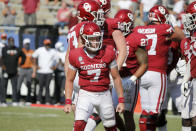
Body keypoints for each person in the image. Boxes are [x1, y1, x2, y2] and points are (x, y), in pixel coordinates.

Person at [63, 21, 125, 131]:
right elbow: (69, 79)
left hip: (104, 93)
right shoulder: (76, 54)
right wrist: (68, 101)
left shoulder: (108, 51)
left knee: (111, 127)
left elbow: (116, 77)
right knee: (79, 125)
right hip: (85, 93)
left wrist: (121, 100)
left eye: (97, 38)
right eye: (91, 38)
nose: (95, 42)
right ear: (83, 38)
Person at [134, 5, 175, 131]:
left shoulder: (139, 29)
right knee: (155, 112)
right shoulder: (165, 28)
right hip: (157, 72)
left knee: (145, 111)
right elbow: (173, 33)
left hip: (141, 73)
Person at [112, 9, 148, 131]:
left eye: (123, 25)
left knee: (127, 114)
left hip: (129, 78)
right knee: (111, 113)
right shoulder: (113, 37)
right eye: (119, 25)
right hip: (115, 78)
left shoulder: (136, 38)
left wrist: (132, 79)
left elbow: (144, 64)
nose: (120, 28)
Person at [180, 2, 196, 130]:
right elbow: (191, 60)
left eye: (191, 17)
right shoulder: (188, 39)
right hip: (193, 77)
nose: (188, 20)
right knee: (190, 112)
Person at [0, 37, 26, 107]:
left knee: (14, 87)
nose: (11, 42)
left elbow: (24, 56)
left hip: (14, 71)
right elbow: (1, 58)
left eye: (12, 41)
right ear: (8, 41)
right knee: (3, 86)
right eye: (10, 41)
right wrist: (2, 66)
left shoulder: (17, 49)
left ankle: (14, 101)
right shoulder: (4, 49)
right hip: (5, 71)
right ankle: (3, 101)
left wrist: (20, 64)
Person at [32, 38, 56, 105]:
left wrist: (55, 67)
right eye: (46, 44)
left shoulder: (53, 51)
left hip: (49, 72)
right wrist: (36, 65)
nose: (47, 46)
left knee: (47, 86)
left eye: (48, 44)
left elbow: (58, 59)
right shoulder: (39, 50)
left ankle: (47, 101)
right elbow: (33, 57)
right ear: (44, 44)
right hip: (40, 71)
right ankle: (39, 100)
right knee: (40, 86)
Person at [16, 38, 34, 106]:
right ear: (23, 44)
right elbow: (17, 60)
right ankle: (17, 99)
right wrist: (18, 69)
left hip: (29, 69)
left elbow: (33, 61)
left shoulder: (32, 51)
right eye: (26, 44)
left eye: (28, 44)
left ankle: (28, 100)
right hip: (22, 69)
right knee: (18, 85)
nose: (27, 45)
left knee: (28, 85)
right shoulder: (21, 51)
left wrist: (33, 70)